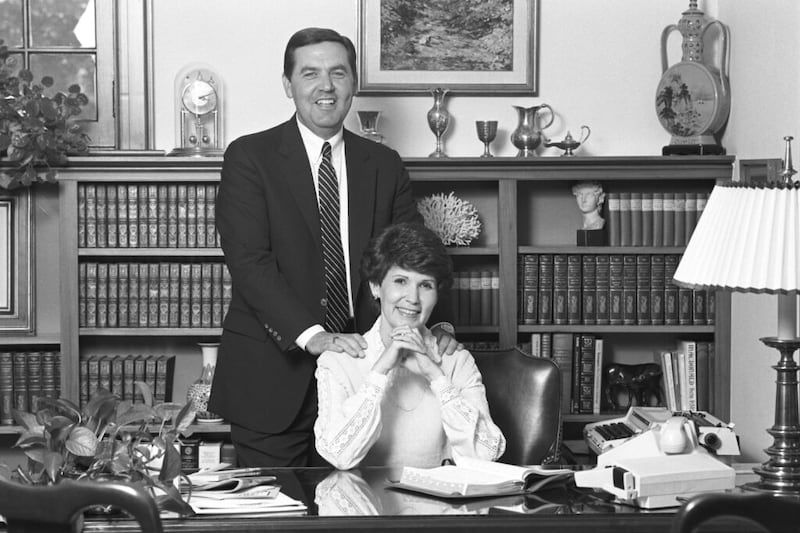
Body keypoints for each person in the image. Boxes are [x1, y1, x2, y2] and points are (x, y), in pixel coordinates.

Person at [208, 27, 459, 467]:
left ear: (354, 84)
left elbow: (413, 256)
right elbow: (250, 263)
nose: (326, 86)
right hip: (272, 379)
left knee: (358, 512)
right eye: (310, 74)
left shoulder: (383, 164)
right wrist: (314, 336)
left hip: (363, 379)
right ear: (288, 85)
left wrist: (431, 325)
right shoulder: (250, 158)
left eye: (338, 73)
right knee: (276, 520)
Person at [314, 222, 506, 470]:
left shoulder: (455, 360)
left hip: (439, 506)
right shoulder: (338, 361)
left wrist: (435, 376)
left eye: (425, 285)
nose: (413, 298)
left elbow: (487, 453)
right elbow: (339, 456)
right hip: (364, 505)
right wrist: (380, 370)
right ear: (375, 286)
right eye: (401, 281)